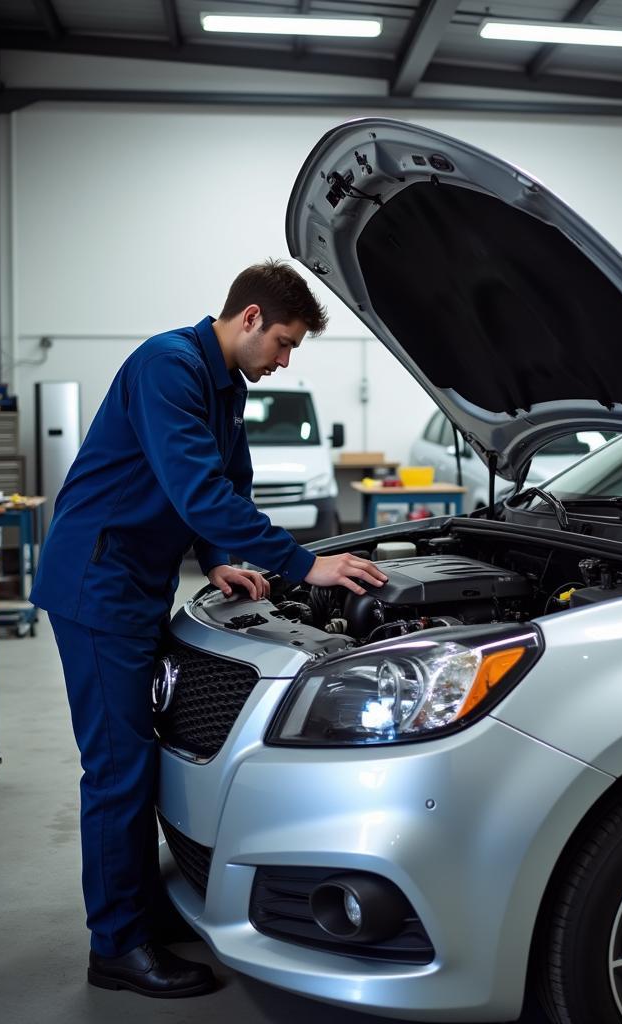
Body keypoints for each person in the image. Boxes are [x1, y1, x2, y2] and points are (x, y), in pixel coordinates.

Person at [30, 259, 387, 998]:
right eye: (284, 342)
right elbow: (192, 485)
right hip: (97, 586)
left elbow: (226, 487)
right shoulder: (169, 366)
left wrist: (221, 560)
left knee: (144, 758)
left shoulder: (224, 385)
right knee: (117, 768)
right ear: (249, 318)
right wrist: (302, 566)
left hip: (135, 583)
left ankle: (142, 906)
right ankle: (117, 947)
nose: (284, 361)